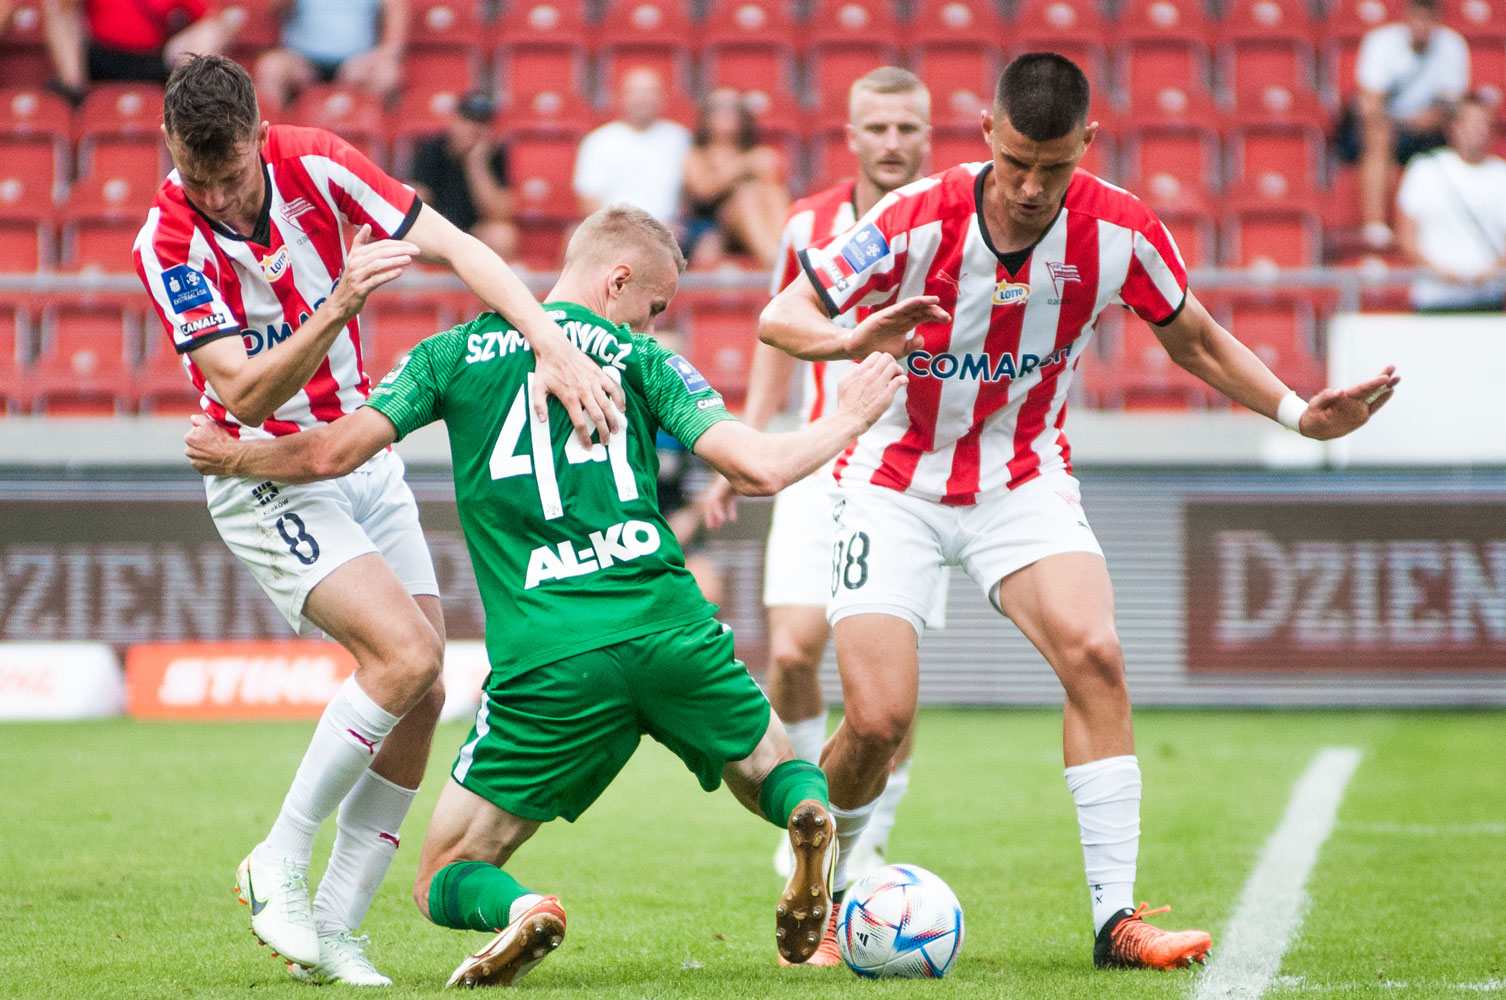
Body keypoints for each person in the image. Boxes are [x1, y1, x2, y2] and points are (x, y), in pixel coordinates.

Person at [760, 52, 1401, 971]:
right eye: (1016, 161)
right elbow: (780, 317)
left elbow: (1196, 339)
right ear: (986, 134)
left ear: (1086, 146)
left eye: (1052, 168)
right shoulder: (911, 217)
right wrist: (845, 337)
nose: (1029, 187)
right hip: (890, 481)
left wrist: (1300, 412)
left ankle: (1115, 921)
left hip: (1022, 479)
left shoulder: (1119, 230)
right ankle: (818, 891)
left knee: (1096, 655)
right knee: (876, 720)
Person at [183, 204, 910, 986]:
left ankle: (522, 909)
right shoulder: (640, 356)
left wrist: (237, 457)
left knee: (444, 871)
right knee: (773, 767)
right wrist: (849, 416)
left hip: (549, 656)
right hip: (667, 624)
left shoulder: (447, 355)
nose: (654, 320)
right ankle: (810, 816)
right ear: (618, 279)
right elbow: (758, 468)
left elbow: (331, 453)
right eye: (655, 304)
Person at [132, 54, 620, 986]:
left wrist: (549, 343)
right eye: (199, 177)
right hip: (266, 471)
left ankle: (339, 925)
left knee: (426, 690)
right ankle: (278, 854)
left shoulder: (318, 160)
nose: (219, 195)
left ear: (259, 137)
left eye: (231, 173)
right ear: (169, 148)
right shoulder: (166, 241)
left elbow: (462, 248)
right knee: (403, 657)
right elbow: (239, 386)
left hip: (360, 454)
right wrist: (340, 302)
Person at [699, 67, 938, 952]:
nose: (892, 141)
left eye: (907, 126)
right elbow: (776, 337)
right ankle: (810, 814)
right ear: (851, 133)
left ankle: (863, 845)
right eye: (876, 126)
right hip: (818, 456)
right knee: (795, 648)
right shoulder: (810, 223)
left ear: (928, 132)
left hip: (912, 469)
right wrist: (743, 446)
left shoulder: (954, 222)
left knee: (884, 692)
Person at [1348, 0, 1469, 248]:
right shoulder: (1380, 42)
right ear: (1406, 17)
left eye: (1428, 19)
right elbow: (1371, 106)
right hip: (1384, 128)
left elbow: (1447, 110)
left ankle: (1455, 224)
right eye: (1417, 18)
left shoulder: (1452, 46)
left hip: (1429, 131)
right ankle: (1375, 225)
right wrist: (1401, 121)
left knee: (1465, 127)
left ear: (1437, 20)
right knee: (1378, 133)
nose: (1421, 26)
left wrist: (1413, 121)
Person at [1395, 93, 1506, 312]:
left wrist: (1491, 272)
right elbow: (1406, 236)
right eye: (1470, 123)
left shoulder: (1501, 174)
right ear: (1454, 128)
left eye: (1484, 123)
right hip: (1434, 297)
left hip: (1488, 298)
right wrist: (1441, 272)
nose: (1477, 131)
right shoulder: (1425, 170)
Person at [42, 0, 238, 103]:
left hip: (153, 62)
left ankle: (187, 100)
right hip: (100, 58)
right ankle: (72, 91)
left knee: (212, 31)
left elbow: (208, 18)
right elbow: (64, 12)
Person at [680, 87, 789, 268]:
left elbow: (773, 185)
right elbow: (703, 190)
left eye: (733, 108)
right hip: (715, 224)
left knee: (769, 192)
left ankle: (786, 249)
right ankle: (775, 260)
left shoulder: (753, 152)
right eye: (719, 109)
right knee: (745, 196)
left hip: (753, 223)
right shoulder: (697, 155)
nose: (726, 114)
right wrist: (745, 165)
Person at [407, 89, 519, 260]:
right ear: (455, 120)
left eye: (482, 123)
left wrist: (476, 163)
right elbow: (416, 200)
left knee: (503, 236)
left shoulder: (495, 155)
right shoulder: (433, 149)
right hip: (436, 230)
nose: (475, 129)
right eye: (469, 120)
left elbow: (500, 213)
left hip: (473, 232)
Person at [572, 67, 691, 226]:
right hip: (615, 230)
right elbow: (589, 203)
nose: (642, 98)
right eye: (634, 92)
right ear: (619, 97)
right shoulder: (598, 141)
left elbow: (689, 198)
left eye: (651, 91)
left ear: (663, 98)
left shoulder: (681, 138)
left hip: (669, 233)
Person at [254, 0, 406, 113]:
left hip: (359, 61)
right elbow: (275, 9)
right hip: (303, 60)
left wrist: (376, 57)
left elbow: (394, 36)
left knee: (386, 74)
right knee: (271, 67)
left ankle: (370, 144)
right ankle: (269, 146)